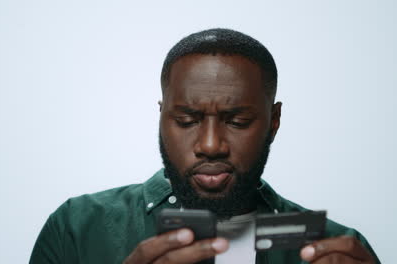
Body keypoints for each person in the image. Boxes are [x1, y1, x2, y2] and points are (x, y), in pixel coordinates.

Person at [29, 28, 380, 264]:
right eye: (187, 121)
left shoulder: (337, 247)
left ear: (274, 122)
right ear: (161, 116)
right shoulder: (77, 227)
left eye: (237, 122)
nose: (211, 145)